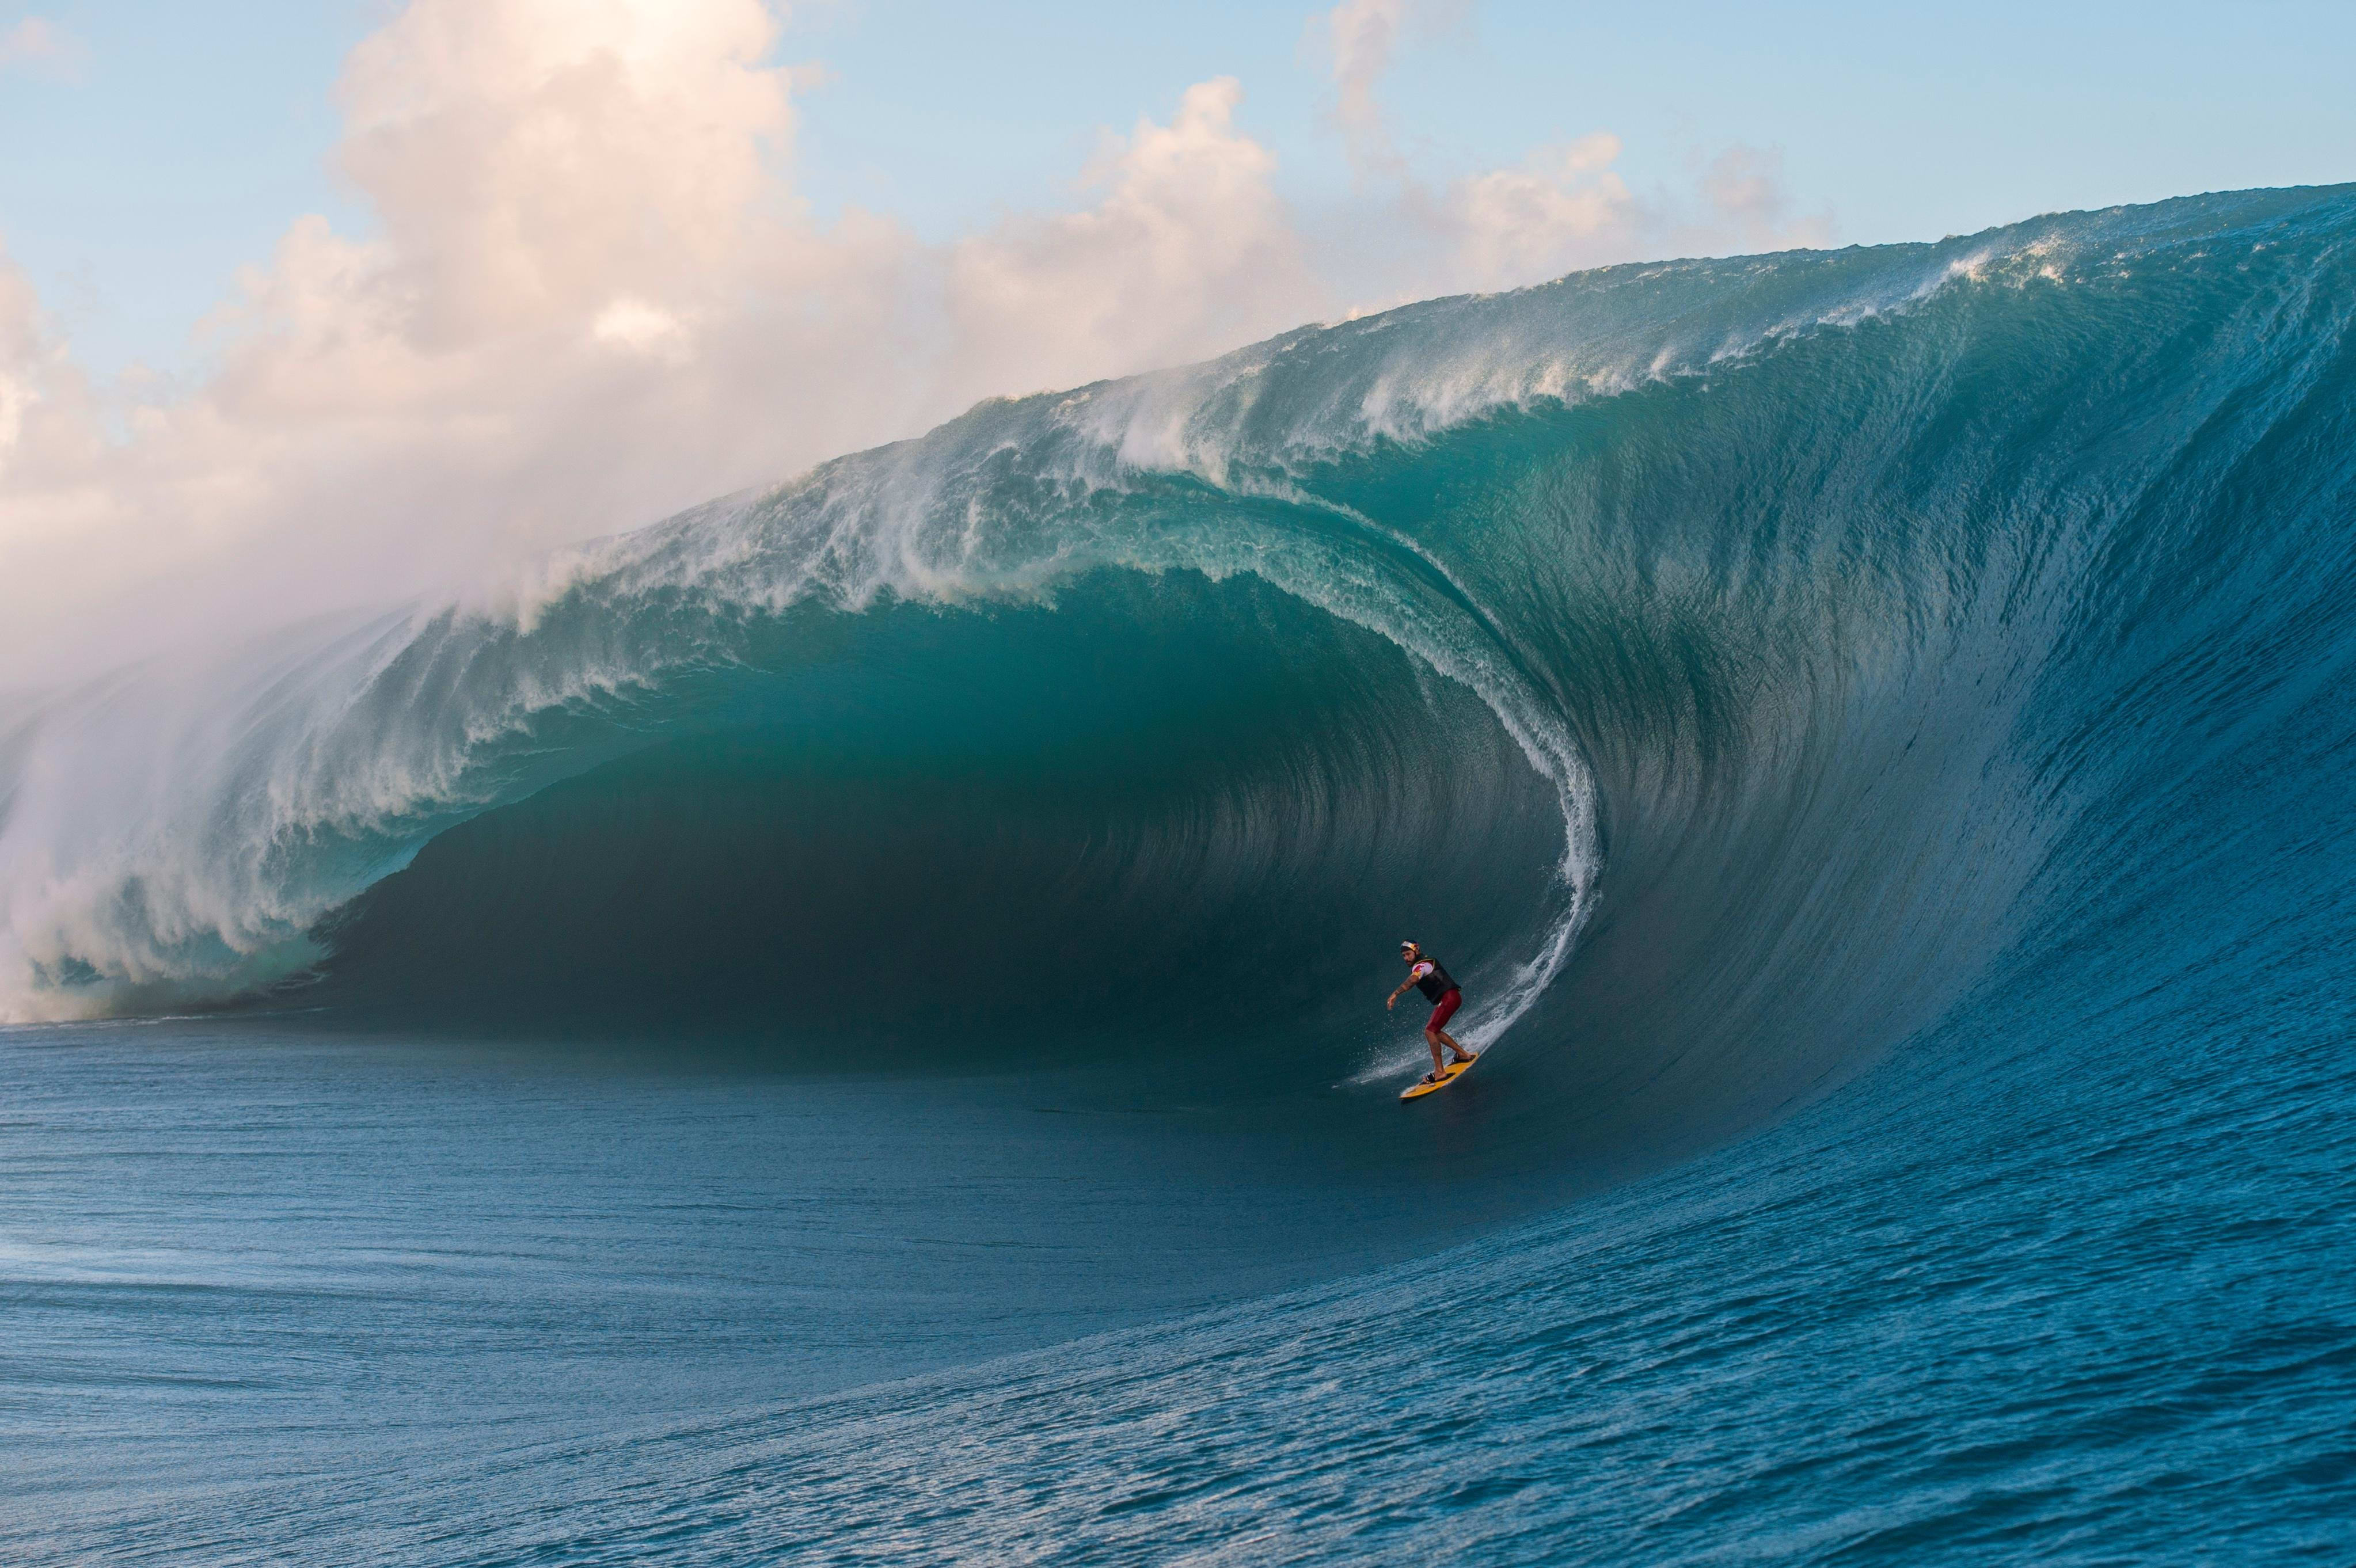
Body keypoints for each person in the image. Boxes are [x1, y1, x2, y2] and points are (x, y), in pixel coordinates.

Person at [1388, 940, 1475, 1086]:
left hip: (1449, 999)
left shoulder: (1422, 965)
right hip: (1451, 998)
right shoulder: (1424, 963)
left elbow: (1413, 980)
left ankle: (1440, 1072)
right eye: (1403, 956)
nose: (1406, 958)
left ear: (1416, 951)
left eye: (1408, 954)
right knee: (1435, 1031)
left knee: (1430, 1031)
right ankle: (1463, 1054)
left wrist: (1396, 993)